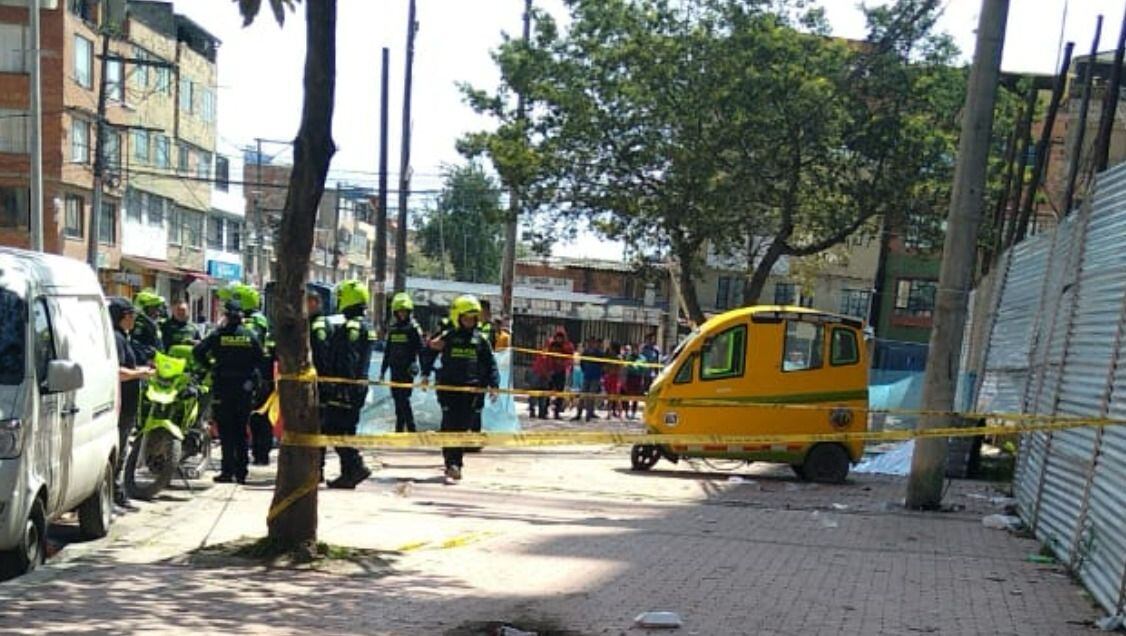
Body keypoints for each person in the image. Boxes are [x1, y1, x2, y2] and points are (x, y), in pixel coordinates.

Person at [420, 295, 498, 484]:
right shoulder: (448, 337)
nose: (469, 322)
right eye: (466, 318)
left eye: (473, 318)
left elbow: (491, 364)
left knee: (463, 427)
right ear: (458, 317)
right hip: (448, 389)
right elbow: (429, 353)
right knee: (449, 424)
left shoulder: (481, 340)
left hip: (470, 391)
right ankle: (452, 463)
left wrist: (494, 385)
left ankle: (456, 463)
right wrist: (425, 374)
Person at [193, 300, 264, 484]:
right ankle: (241, 472)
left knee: (226, 431)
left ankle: (227, 471)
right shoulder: (250, 335)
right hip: (244, 389)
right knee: (241, 430)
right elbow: (260, 358)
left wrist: (210, 366)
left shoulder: (218, 334)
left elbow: (198, 351)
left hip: (223, 387)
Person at [321, 279, 376, 489]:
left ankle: (356, 466)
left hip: (346, 388)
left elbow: (349, 359)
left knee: (333, 428)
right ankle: (348, 474)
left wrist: (341, 386)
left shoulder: (352, 327)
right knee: (346, 430)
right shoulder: (365, 325)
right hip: (355, 387)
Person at [109, 297, 153, 512]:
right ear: (122, 317)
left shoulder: (123, 337)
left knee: (122, 451)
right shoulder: (116, 338)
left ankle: (117, 495)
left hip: (127, 405)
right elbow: (117, 371)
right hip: (121, 405)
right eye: (130, 315)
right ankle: (113, 497)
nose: (133, 319)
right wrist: (140, 373)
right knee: (117, 454)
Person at [380, 292, 425, 433]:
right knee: (396, 399)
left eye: (405, 311)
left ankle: (411, 428)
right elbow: (388, 351)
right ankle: (399, 428)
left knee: (404, 399)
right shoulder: (393, 329)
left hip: (407, 369)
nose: (402, 314)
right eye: (400, 311)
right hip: (394, 369)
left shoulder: (413, 328)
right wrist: (382, 371)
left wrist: (423, 371)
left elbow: (421, 350)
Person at [544, 328, 574, 419]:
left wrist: (563, 364)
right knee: (547, 392)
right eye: (558, 337)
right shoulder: (550, 344)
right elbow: (546, 356)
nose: (559, 339)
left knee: (560, 393)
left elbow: (569, 358)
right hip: (551, 371)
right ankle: (544, 411)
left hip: (561, 371)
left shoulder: (567, 346)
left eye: (561, 337)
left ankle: (556, 412)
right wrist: (547, 370)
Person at [131, 289, 165, 365]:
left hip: (157, 360)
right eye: (154, 308)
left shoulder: (153, 323)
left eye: (158, 307)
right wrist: (149, 354)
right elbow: (135, 345)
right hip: (146, 364)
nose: (157, 311)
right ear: (144, 308)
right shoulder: (140, 324)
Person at [574, 336, 605, 421]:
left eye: (592, 342)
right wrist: (585, 371)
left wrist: (600, 374)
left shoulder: (599, 353)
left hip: (595, 377)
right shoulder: (585, 352)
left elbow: (603, 365)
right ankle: (579, 414)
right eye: (589, 342)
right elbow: (582, 363)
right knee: (582, 395)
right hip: (587, 376)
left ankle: (589, 415)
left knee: (591, 396)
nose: (591, 344)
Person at [623, 344, 646, 420]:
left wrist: (642, 379)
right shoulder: (629, 357)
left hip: (638, 378)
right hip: (630, 377)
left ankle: (633, 413)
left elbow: (644, 369)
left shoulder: (642, 358)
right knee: (627, 395)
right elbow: (626, 366)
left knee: (636, 396)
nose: (635, 350)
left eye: (637, 349)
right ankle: (626, 412)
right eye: (634, 349)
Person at [603, 342, 623, 419]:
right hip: (609, 377)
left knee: (616, 396)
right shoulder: (609, 357)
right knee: (609, 396)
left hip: (615, 378)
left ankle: (620, 413)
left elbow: (620, 368)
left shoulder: (618, 357)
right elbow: (606, 367)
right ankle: (609, 414)